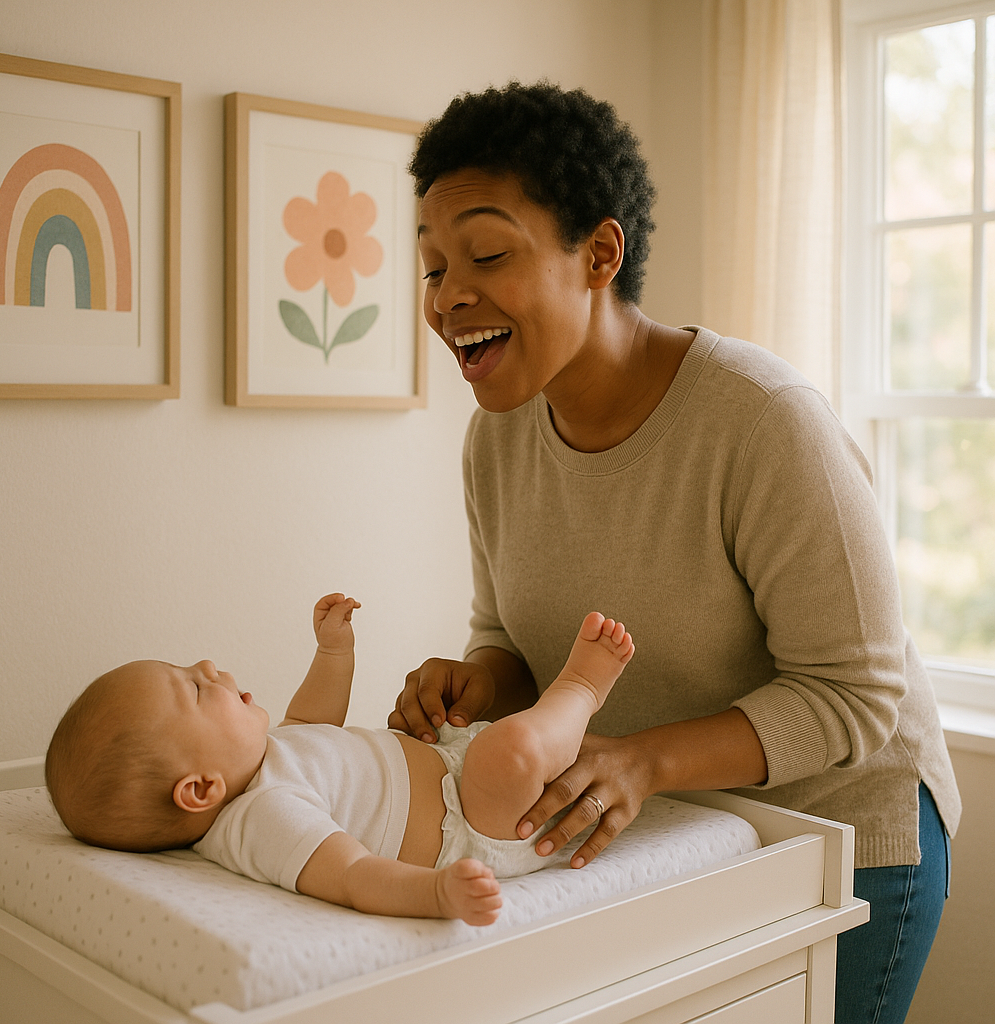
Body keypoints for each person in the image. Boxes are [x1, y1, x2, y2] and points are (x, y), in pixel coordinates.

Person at [390, 81, 961, 1023]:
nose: (450, 298)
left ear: (600, 254)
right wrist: (479, 683)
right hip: (690, 830)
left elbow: (854, 697)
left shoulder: (760, 422)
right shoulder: (494, 443)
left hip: (850, 834)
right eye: (432, 267)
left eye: (486, 254)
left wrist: (644, 763)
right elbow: (511, 639)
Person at [45, 593, 634, 926]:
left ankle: (554, 723)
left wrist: (333, 651)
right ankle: (581, 687)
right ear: (200, 789)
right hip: (472, 827)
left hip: (450, 764)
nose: (205, 666)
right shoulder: (263, 818)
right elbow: (353, 876)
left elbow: (311, 724)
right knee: (505, 754)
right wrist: (436, 895)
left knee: (492, 749)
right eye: (195, 691)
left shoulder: (264, 760)